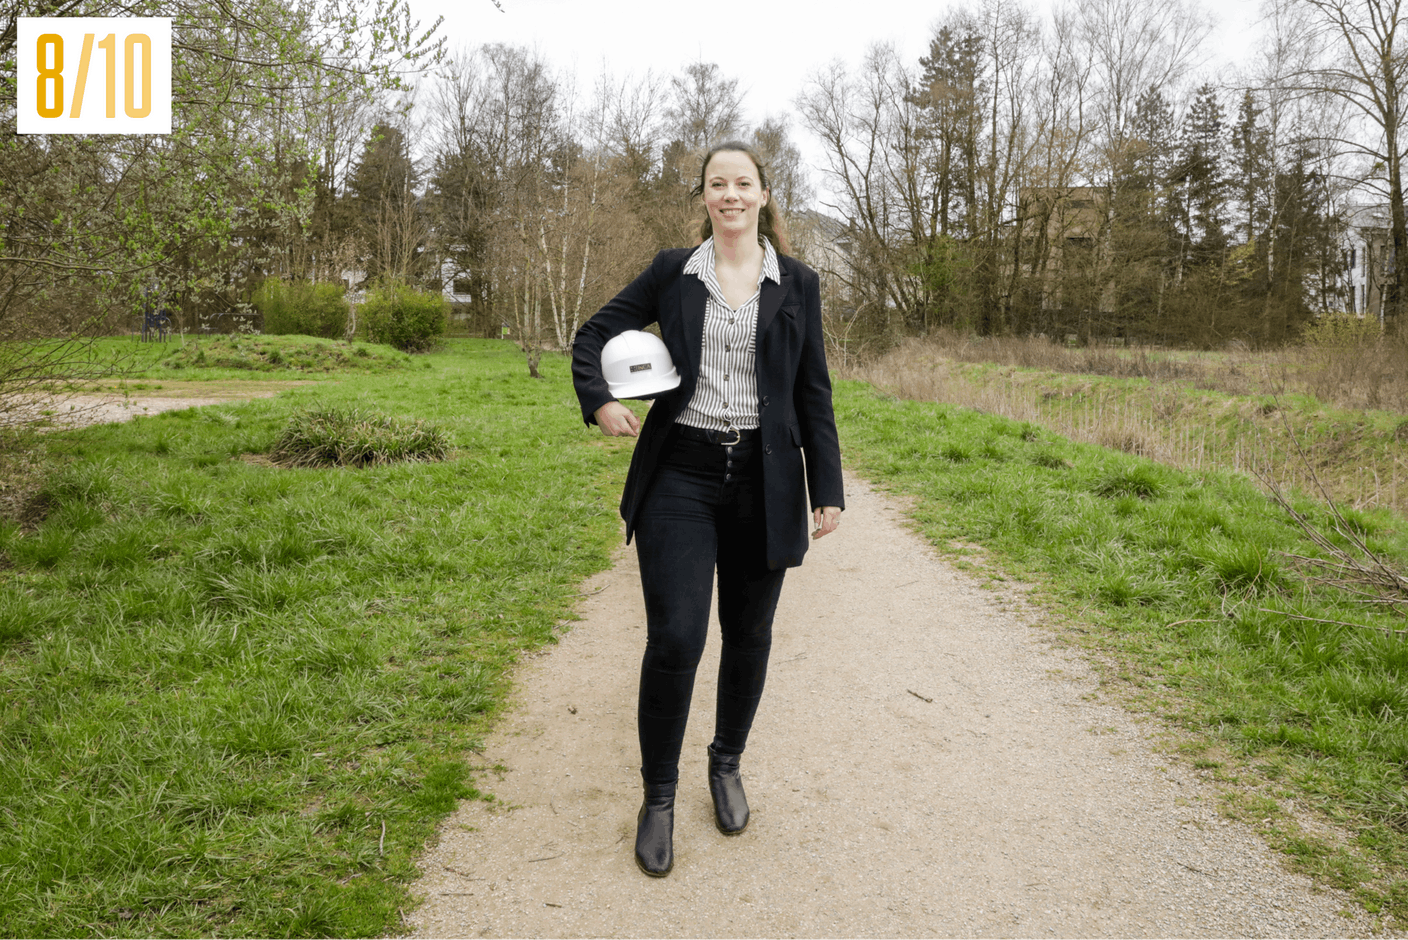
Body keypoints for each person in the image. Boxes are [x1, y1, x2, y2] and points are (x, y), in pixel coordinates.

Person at [571, 140, 844, 878]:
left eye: (742, 183)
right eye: (717, 184)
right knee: (676, 639)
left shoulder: (799, 282)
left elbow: (813, 390)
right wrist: (599, 401)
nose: (730, 195)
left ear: (763, 195)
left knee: (749, 634)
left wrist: (828, 488)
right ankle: (658, 797)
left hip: (766, 480)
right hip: (680, 476)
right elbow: (593, 333)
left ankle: (726, 764)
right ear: (704, 197)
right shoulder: (673, 272)